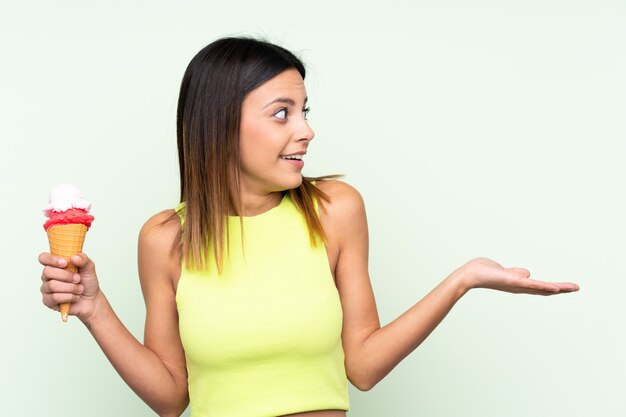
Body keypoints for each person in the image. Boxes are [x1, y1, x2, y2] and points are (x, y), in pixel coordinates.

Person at [38, 37, 580, 417]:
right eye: (282, 113)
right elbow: (171, 398)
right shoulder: (164, 238)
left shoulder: (335, 210)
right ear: (221, 123)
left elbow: (363, 367)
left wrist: (462, 279)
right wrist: (94, 308)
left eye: (304, 109)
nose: (307, 130)